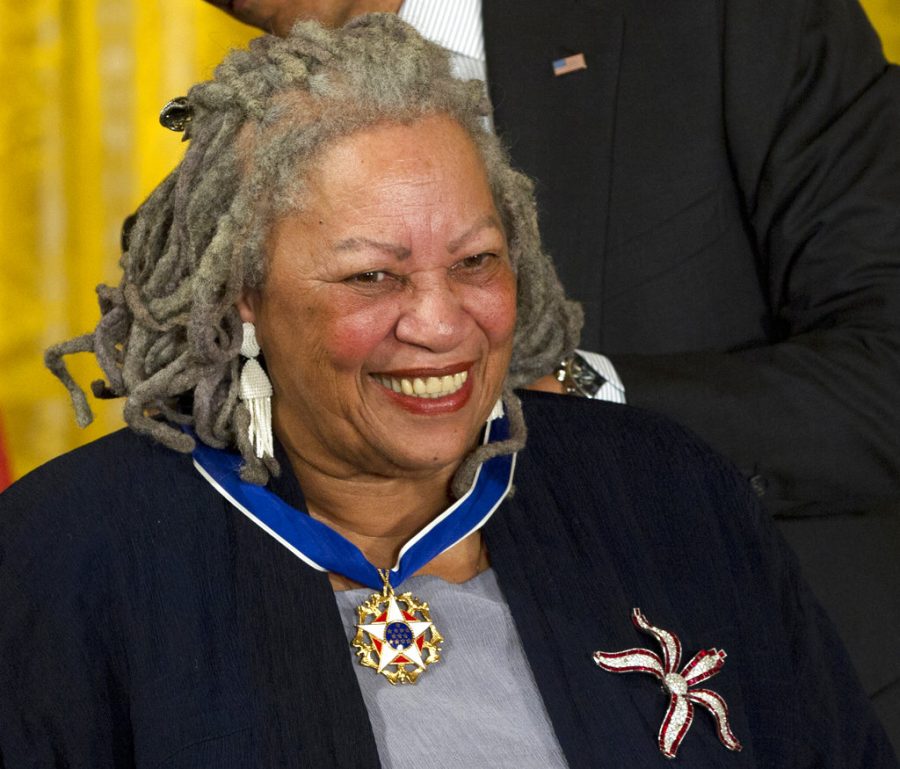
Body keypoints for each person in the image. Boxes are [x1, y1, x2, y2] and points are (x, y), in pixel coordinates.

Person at [1, 16, 896, 767]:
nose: (440, 322)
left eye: (476, 262)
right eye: (371, 278)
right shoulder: (64, 557)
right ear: (243, 292)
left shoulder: (670, 490)